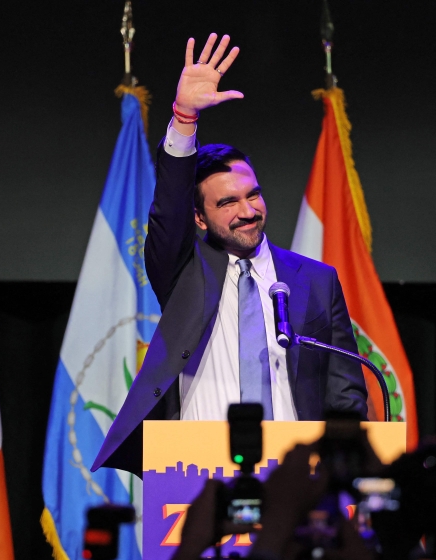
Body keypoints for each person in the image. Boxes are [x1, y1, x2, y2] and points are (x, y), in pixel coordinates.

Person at [91, 33, 368, 476]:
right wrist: (184, 120)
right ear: (199, 219)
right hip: (195, 469)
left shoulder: (316, 281)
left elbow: (344, 388)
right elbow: (167, 212)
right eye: (227, 203)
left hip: (296, 474)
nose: (248, 211)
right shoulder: (184, 270)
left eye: (252, 195)